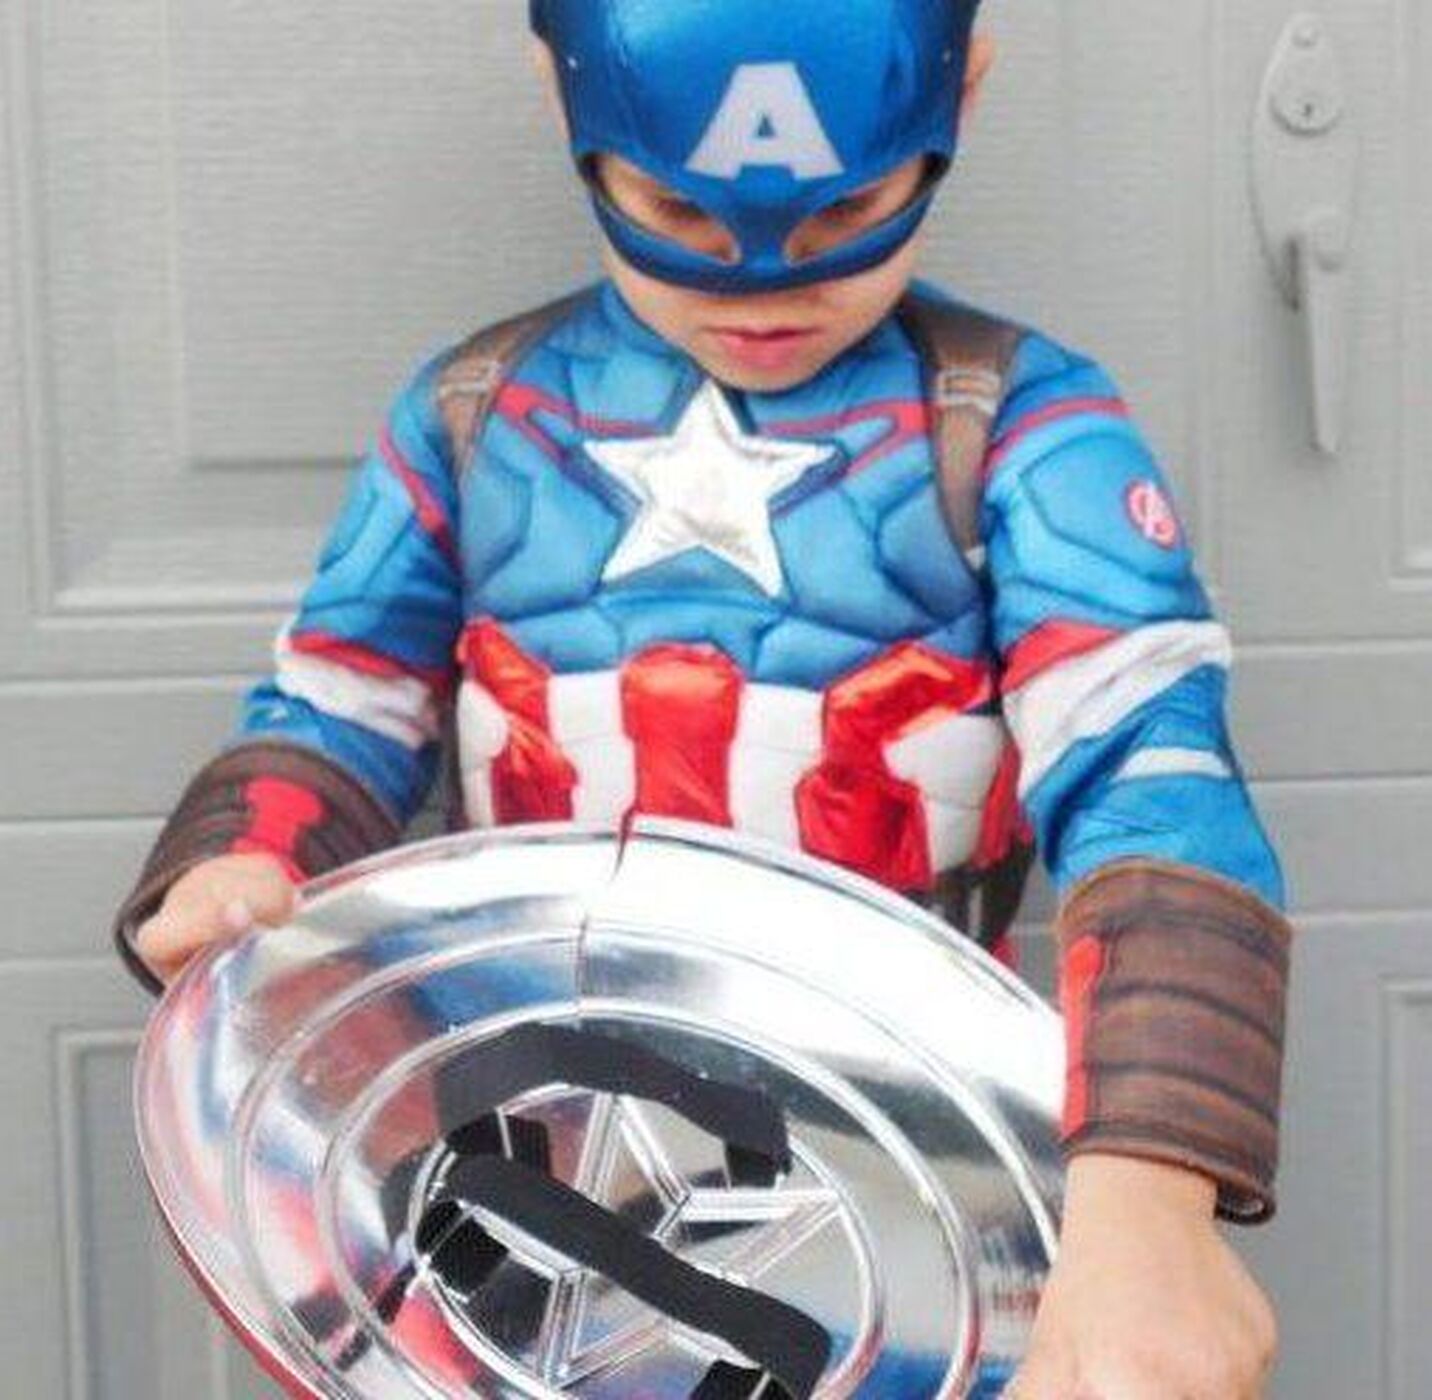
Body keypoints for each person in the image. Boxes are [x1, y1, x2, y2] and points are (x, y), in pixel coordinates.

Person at [115, 2, 1292, 1395]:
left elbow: (1154, 784)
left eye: (843, 205)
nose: (758, 285)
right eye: (679, 204)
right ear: (568, 104)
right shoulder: (475, 416)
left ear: (958, 96)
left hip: (892, 1177)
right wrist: (236, 860)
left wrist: (1151, 1197)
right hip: (516, 1163)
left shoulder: (1022, 429)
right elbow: (336, 713)